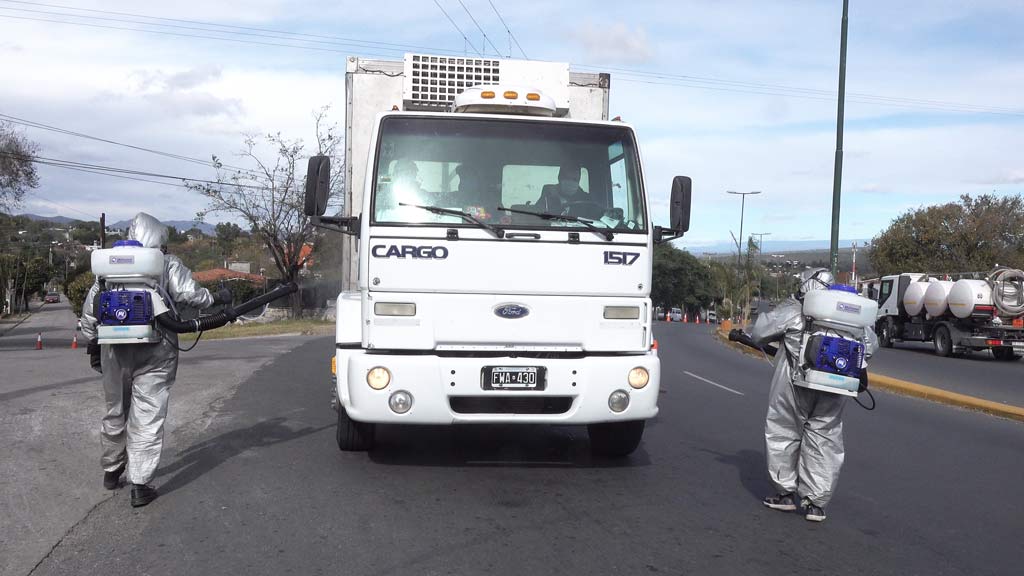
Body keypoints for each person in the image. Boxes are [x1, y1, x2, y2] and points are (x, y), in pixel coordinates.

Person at [80, 212, 230, 507]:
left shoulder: (107, 271)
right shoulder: (165, 264)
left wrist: (92, 344)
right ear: (159, 240)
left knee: (115, 411)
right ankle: (140, 485)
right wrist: (217, 298)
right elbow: (191, 294)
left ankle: (111, 471)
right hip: (157, 349)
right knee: (148, 415)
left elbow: (90, 313)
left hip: (113, 350)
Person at [749, 268, 877, 523]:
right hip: (834, 387)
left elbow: (760, 332)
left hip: (794, 384)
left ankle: (785, 494)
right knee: (825, 440)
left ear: (808, 285)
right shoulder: (851, 318)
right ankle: (815, 505)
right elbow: (871, 347)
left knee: (783, 432)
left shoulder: (797, 310)